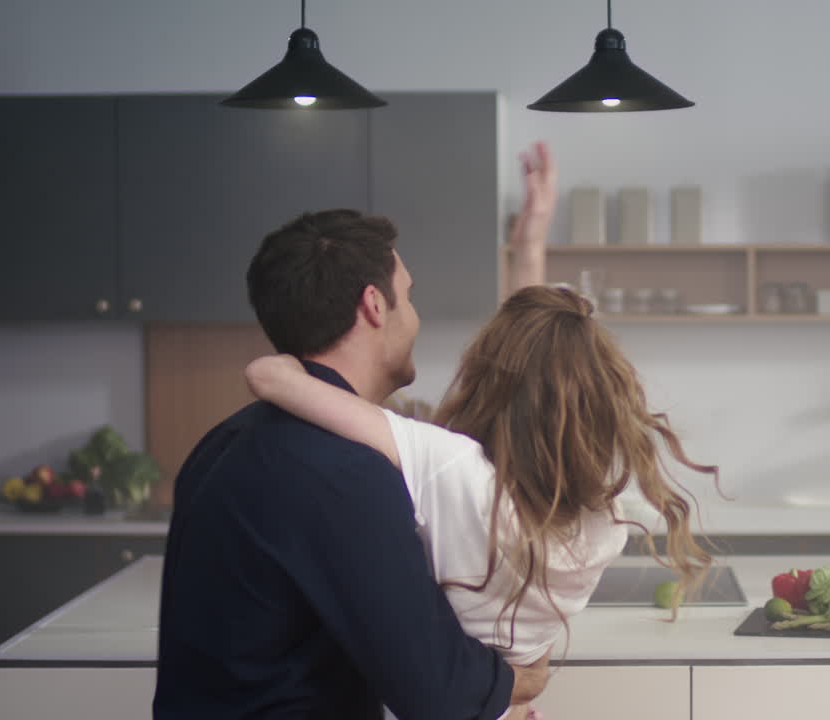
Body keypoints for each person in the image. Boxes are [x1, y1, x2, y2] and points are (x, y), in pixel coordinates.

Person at [244, 146, 720, 719]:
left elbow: (276, 380)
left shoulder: (450, 468)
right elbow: (538, 367)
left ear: (488, 375)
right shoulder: (601, 525)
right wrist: (530, 245)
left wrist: (276, 366)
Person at [153, 147, 562, 720]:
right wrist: (525, 678)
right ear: (374, 305)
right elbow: (435, 689)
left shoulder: (222, 442)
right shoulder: (344, 470)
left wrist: (529, 250)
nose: (414, 317)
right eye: (410, 296)